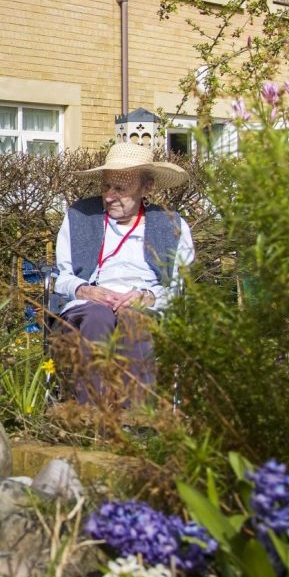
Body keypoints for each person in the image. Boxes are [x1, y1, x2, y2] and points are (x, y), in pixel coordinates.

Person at [53, 142, 194, 404]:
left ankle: (135, 418)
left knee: (134, 319)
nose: (109, 196)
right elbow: (61, 278)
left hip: (145, 305)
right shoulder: (79, 216)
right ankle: (93, 415)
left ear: (147, 187)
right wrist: (84, 289)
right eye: (106, 186)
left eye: (120, 188)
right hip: (90, 303)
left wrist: (149, 296)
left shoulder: (171, 224)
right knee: (97, 316)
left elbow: (179, 287)